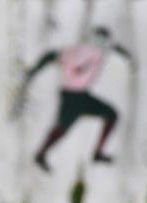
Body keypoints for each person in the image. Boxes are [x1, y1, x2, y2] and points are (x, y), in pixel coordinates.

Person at [23, 27, 133, 170]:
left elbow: (112, 46)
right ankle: (41, 154)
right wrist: (34, 70)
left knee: (111, 115)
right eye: (100, 40)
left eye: (104, 41)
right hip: (72, 97)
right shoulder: (82, 51)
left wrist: (124, 53)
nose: (102, 44)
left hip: (81, 95)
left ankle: (97, 153)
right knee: (61, 128)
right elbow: (51, 55)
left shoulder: (99, 49)